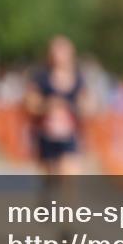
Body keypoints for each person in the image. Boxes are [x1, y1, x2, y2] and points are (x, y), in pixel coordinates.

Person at [24, 35, 89, 175]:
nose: (59, 55)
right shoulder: (41, 77)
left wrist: (75, 107)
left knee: (69, 174)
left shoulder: (78, 78)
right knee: (50, 179)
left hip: (69, 136)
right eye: (56, 51)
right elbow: (30, 104)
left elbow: (87, 105)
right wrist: (48, 105)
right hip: (46, 135)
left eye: (63, 51)